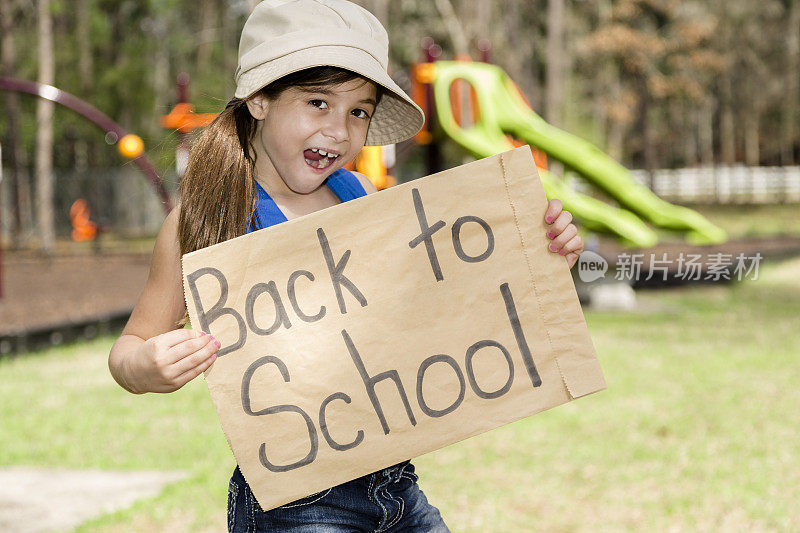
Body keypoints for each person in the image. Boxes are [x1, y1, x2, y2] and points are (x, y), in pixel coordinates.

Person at [108, 0, 584, 531]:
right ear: (260, 100)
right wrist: (146, 366)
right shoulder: (204, 218)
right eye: (318, 102)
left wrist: (536, 260)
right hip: (296, 502)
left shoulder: (361, 198)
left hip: (395, 484)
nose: (339, 130)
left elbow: (439, 308)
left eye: (359, 111)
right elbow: (127, 348)